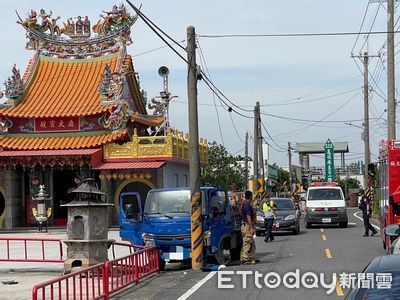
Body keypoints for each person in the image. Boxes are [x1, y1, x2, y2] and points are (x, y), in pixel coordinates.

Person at [240, 190, 256, 264]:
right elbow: (248, 216)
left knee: (251, 243)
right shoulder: (247, 205)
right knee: (247, 242)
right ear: (250, 197)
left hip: (245, 225)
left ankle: (251, 258)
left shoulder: (244, 204)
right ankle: (245, 259)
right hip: (247, 226)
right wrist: (251, 227)